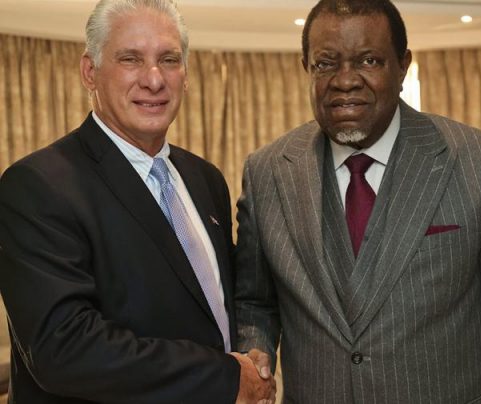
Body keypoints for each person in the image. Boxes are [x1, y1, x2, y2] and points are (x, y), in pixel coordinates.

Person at [234, 0, 481, 402]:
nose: (345, 81)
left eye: (369, 61)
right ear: (306, 68)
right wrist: (256, 351)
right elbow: (254, 302)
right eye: (326, 63)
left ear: (403, 66)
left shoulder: (479, 163)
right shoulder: (266, 173)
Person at [0, 0, 275, 403]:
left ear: (185, 74)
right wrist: (226, 376)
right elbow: (64, 349)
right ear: (90, 72)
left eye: (169, 60)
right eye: (130, 59)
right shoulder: (38, 185)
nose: (154, 79)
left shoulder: (205, 179)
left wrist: (254, 360)